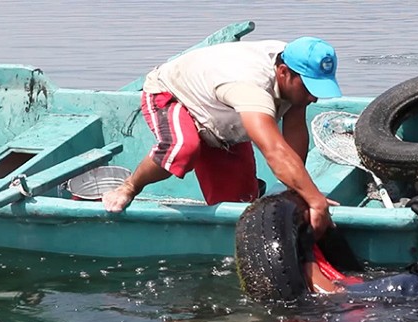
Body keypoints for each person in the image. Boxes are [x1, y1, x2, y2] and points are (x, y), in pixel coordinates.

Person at [102, 36, 343, 239]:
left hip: (221, 116)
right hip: (174, 94)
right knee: (182, 150)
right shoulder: (251, 85)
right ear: (283, 72)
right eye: (310, 89)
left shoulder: (295, 67)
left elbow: (294, 137)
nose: (314, 98)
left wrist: (301, 191)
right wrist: (315, 200)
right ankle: (129, 187)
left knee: (239, 207)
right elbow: (274, 150)